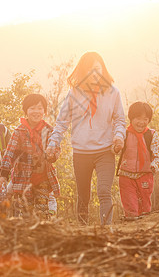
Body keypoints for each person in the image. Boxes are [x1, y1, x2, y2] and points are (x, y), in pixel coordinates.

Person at [46, 52, 126, 225]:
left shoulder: (113, 93)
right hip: (81, 153)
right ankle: (83, 231)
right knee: (83, 195)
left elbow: (119, 119)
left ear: (103, 69)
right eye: (89, 70)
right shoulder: (74, 94)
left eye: (97, 69)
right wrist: (54, 143)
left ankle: (106, 231)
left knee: (104, 191)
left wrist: (119, 136)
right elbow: (61, 123)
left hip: (105, 151)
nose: (94, 74)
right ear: (83, 72)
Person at [0, 94, 60, 219]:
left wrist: (52, 155)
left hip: (43, 179)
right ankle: (28, 237)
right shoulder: (19, 132)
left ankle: (42, 235)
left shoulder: (49, 130)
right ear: (26, 111)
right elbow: (10, 153)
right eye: (32, 108)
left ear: (44, 111)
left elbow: (56, 149)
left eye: (39, 108)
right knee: (26, 214)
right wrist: (3, 175)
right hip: (23, 180)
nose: (36, 111)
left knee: (41, 213)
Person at [116, 102, 159, 220]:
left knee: (145, 207)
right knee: (130, 206)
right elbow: (115, 149)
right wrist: (116, 147)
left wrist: (154, 166)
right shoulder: (124, 134)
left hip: (145, 175)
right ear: (131, 118)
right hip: (126, 176)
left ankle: (145, 229)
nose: (141, 122)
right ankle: (131, 227)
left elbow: (158, 154)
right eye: (138, 118)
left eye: (145, 119)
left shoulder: (151, 135)